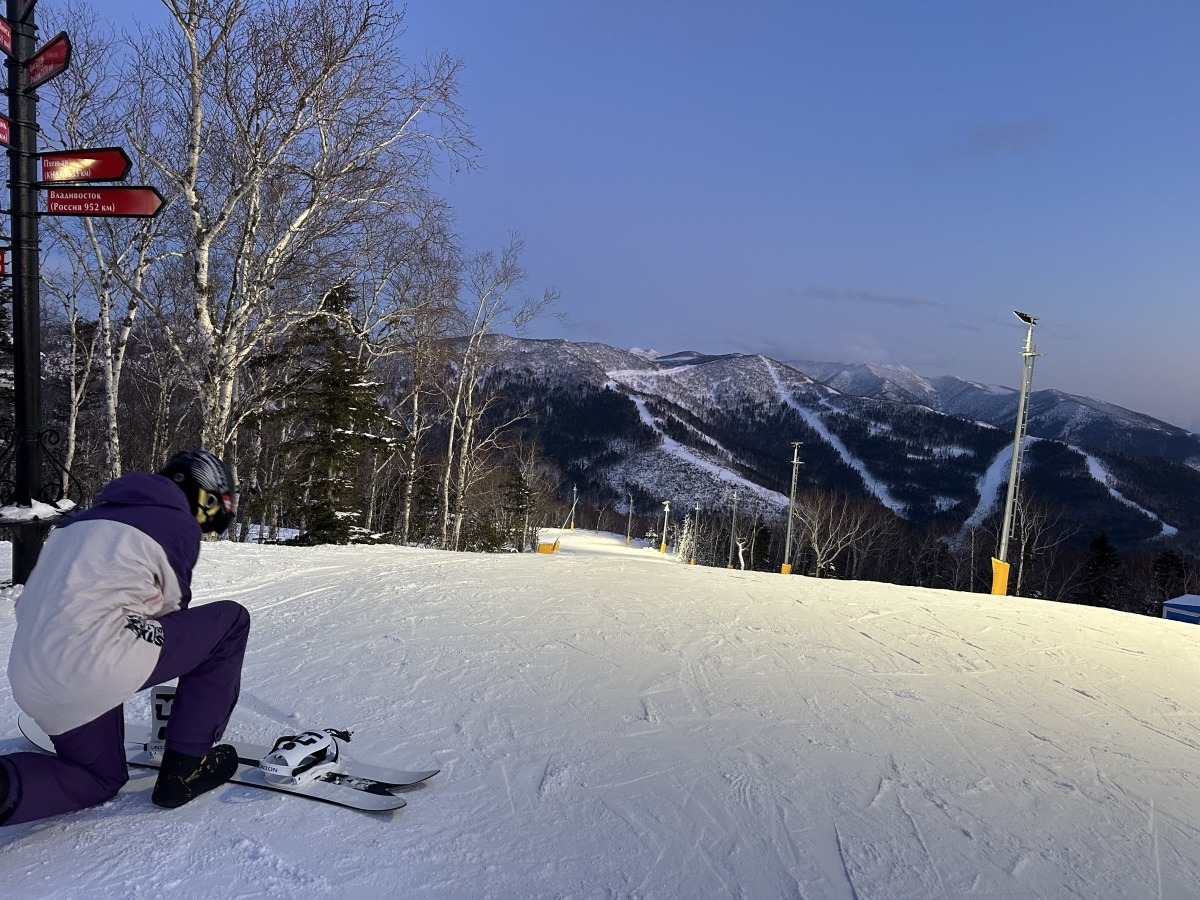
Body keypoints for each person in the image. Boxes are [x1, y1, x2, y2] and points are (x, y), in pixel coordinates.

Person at [0, 450, 250, 826]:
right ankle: (186, 768)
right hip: (95, 664)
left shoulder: (76, 522)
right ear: (205, 496)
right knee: (230, 624)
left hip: (32, 675)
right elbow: (170, 617)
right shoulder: (175, 523)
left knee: (99, 777)